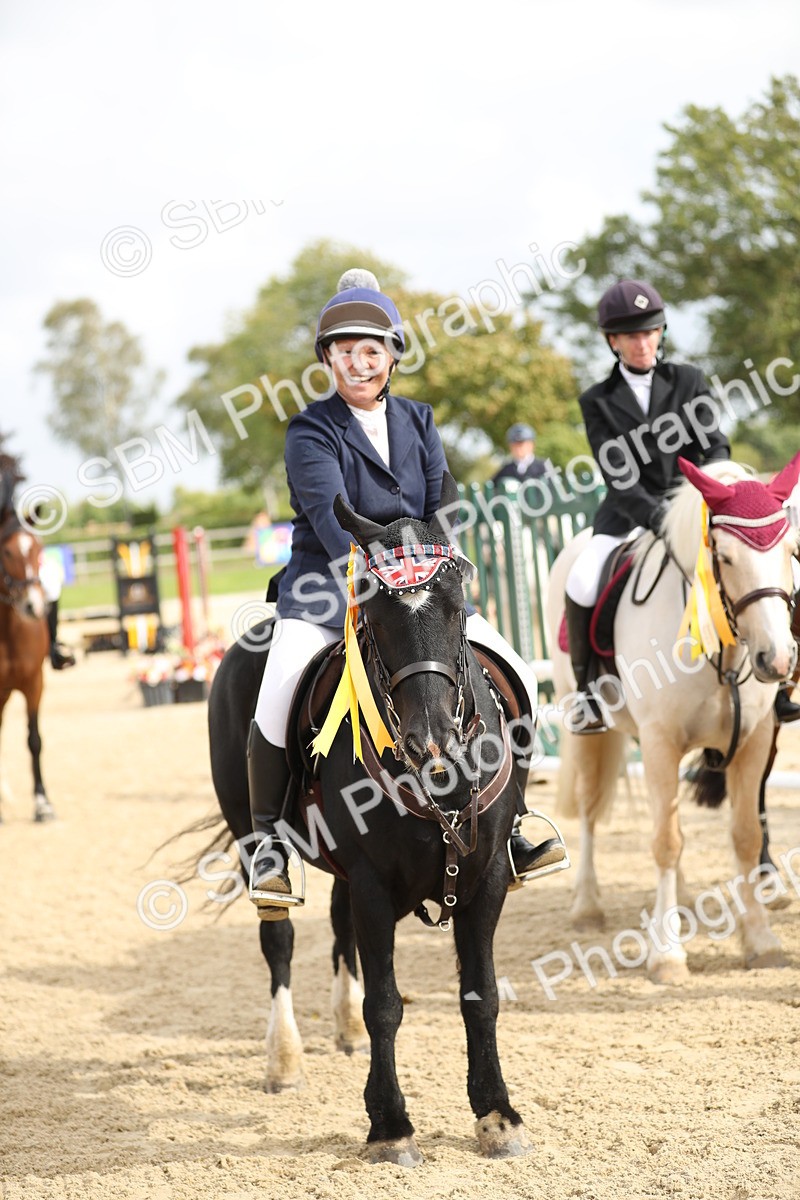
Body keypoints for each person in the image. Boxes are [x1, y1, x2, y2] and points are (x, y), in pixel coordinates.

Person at [248, 271, 564, 918]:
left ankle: (518, 823)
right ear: (327, 360)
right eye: (344, 352)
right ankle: (270, 848)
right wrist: (385, 572)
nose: (359, 364)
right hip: (330, 589)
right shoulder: (311, 431)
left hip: (421, 591)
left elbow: (442, 499)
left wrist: (438, 570)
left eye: (371, 351)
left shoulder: (418, 418)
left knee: (512, 675)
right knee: (275, 695)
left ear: (392, 355)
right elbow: (331, 515)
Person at [564, 279, 731, 733]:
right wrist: (657, 517)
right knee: (581, 579)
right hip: (629, 515)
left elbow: (715, 448)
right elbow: (617, 475)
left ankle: (775, 687)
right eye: (631, 335)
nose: (642, 342)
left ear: (660, 332)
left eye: (650, 331)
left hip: (694, 507)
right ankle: (587, 696)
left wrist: (706, 496)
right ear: (612, 340)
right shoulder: (597, 400)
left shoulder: (690, 381)